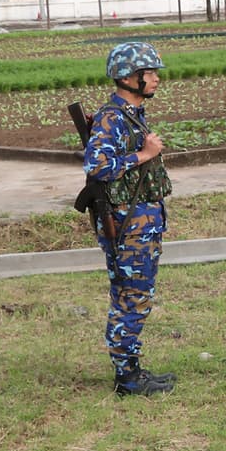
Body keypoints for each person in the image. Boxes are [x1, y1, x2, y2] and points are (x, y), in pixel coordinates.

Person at [84, 42, 176, 397]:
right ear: (127, 77)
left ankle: (131, 368)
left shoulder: (130, 114)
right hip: (128, 225)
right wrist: (144, 154)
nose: (155, 79)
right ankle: (128, 378)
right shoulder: (113, 118)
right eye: (148, 73)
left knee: (135, 295)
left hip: (141, 222)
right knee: (131, 297)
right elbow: (98, 167)